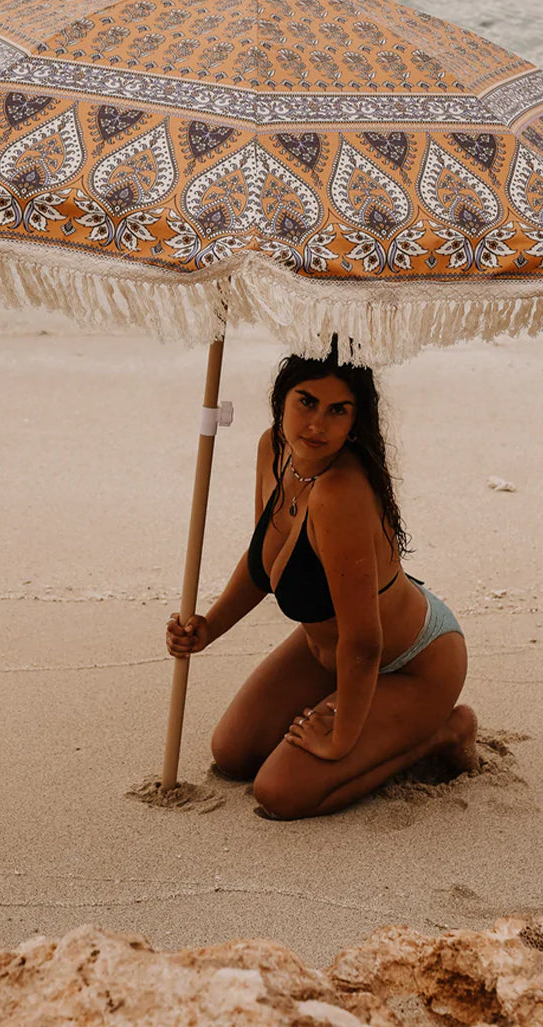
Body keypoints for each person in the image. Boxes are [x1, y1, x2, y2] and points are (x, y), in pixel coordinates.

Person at [166, 347, 477, 820]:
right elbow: (263, 565)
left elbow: (364, 641)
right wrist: (208, 627)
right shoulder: (273, 449)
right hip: (330, 654)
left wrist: (341, 738)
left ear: (355, 423)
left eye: (338, 411)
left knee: (280, 793)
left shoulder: (341, 493)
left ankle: (443, 732)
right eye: (306, 402)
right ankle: (370, 727)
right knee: (232, 753)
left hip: (409, 664)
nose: (316, 425)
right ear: (281, 399)